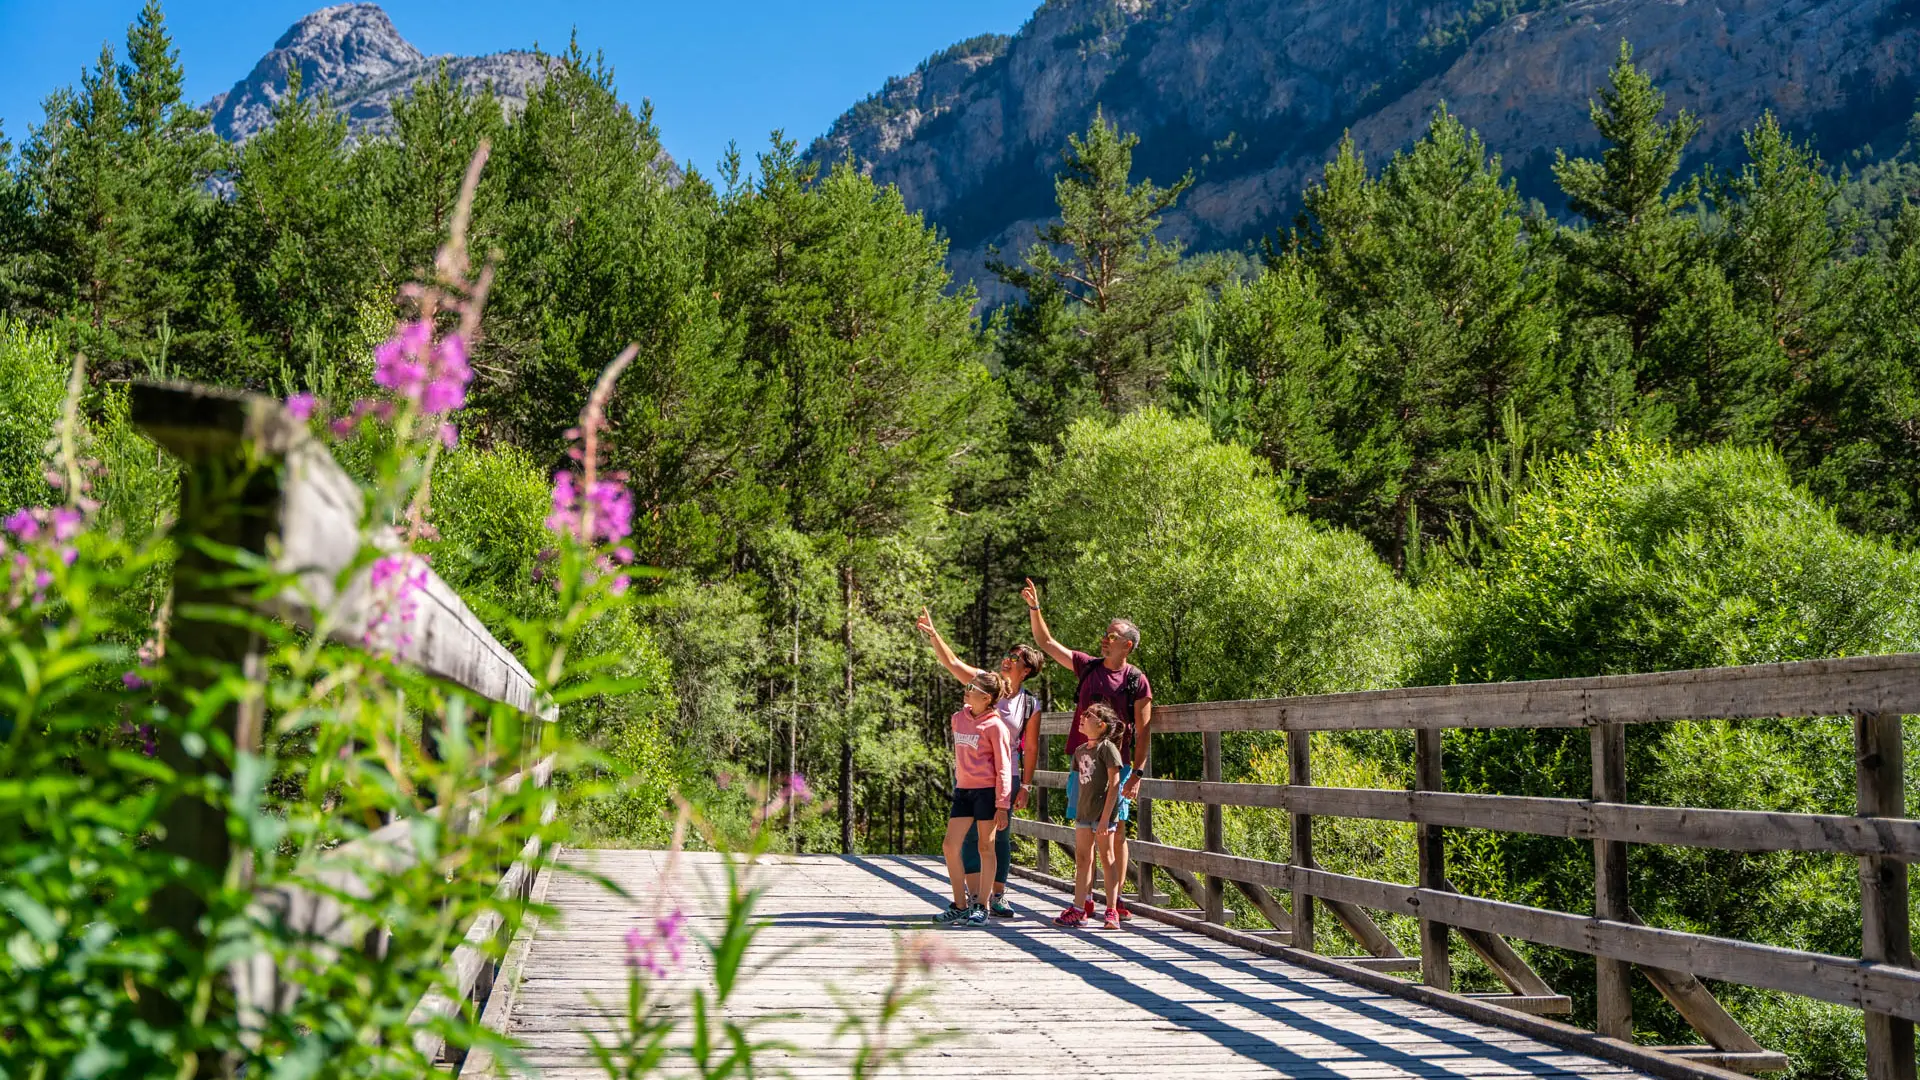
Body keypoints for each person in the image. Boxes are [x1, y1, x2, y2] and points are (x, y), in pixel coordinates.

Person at [1022, 578, 1152, 924]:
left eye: (1112, 636)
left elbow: (1144, 730)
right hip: (1082, 764)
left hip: (1117, 765)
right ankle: (1086, 902)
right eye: (1105, 634)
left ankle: (1114, 901)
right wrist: (1035, 608)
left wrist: (1138, 773)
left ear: (1127, 645)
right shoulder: (1088, 666)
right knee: (1084, 833)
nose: (1104, 639)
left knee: (1114, 833)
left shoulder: (1136, 680)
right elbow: (1046, 643)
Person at [915, 608, 1043, 917]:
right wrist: (934, 635)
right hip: (972, 775)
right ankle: (973, 898)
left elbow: (1031, 746)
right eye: (1007, 655)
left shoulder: (1029, 704)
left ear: (1026, 670)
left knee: (999, 837)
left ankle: (997, 895)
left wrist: (1025, 785)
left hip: (1005, 774)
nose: (1007, 660)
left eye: (1014, 658)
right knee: (970, 838)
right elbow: (952, 663)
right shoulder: (986, 683)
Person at [934, 670, 1012, 928]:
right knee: (950, 846)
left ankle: (982, 906)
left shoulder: (996, 726)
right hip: (963, 791)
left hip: (987, 792)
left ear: (986, 698)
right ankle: (959, 905)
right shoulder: (958, 719)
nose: (966, 690)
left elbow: (1003, 767)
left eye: (972, 688)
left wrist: (1002, 804)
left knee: (985, 848)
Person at [1054, 702, 1126, 929]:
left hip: (1103, 814)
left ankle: (1111, 910)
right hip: (1084, 813)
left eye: (1088, 715)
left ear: (1101, 724)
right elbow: (1078, 784)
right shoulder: (1080, 750)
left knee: (1107, 857)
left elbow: (1115, 784)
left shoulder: (1107, 749)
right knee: (1083, 859)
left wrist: (1106, 818)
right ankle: (1078, 909)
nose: (1082, 717)